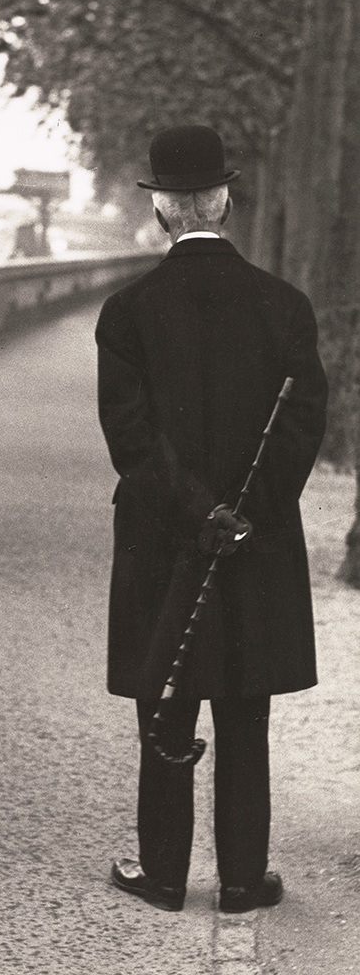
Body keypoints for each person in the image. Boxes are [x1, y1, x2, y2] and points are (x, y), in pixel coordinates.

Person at [95, 126, 328, 913]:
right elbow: (300, 431)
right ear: (223, 200)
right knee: (244, 707)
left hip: (164, 538)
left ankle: (161, 875)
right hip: (254, 545)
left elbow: (131, 442)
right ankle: (239, 880)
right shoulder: (285, 307)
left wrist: (199, 515)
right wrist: (241, 519)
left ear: (160, 208)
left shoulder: (125, 313)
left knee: (165, 700)